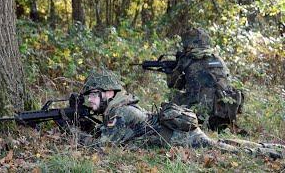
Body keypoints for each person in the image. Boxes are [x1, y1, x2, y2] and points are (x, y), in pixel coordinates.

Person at [78, 68, 284, 159]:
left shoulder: (120, 112)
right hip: (176, 134)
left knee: (226, 149)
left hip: (180, 138)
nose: (90, 100)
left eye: (93, 95)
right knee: (224, 144)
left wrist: (76, 135)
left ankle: (272, 151)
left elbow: (103, 147)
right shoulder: (120, 107)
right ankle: (271, 147)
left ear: (107, 93)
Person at [166, 27, 244, 131]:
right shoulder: (217, 59)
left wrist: (170, 71)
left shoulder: (187, 60)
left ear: (188, 44)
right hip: (224, 111)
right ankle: (224, 124)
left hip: (201, 112)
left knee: (173, 95)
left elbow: (174, 84)